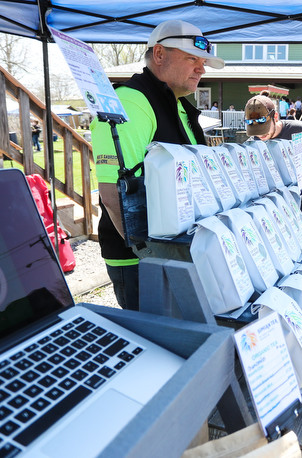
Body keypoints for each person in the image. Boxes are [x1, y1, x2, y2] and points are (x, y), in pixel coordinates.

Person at [91, 19, 224, 311]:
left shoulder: (174, 103)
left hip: (173, 253)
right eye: (192, 58)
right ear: (160, 54)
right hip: (144, 260)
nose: (201, 69)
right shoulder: (130, 102)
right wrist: (155, 258)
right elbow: (113, 193)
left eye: (203, 61)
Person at [244, 94, 302, 176]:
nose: (260, 135)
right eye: (256, 131)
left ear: (275, 117)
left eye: (264, 128)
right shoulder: (252, 144)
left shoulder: (300, 130)